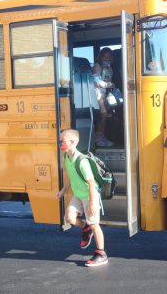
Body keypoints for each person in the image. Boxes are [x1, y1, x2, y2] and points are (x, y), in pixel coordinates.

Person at [56, 129, 108, 267]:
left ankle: (101, 254)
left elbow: (91, 183)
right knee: (69, 218)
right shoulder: (67, 157)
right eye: (60, 140)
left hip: (90, 195)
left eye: (63, 140)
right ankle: (85, 228)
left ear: (73, 142)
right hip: (78, 194)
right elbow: (72, 177)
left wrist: (92, 203)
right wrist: (62, 191)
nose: (60, 143)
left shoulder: (82, 161)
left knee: (94, 224)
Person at [92, 47, 115, 147]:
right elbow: (95, 81)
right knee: (101, 116)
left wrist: (111, 85)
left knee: (105, 117)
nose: (107, 60)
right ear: (101, 57)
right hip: (98, 95)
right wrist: (106, 84)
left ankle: (102, 137)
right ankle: (98, 139)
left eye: (109, 58)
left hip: (106, 96)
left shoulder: (110, 69)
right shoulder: (97, 66)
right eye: (105, 58)